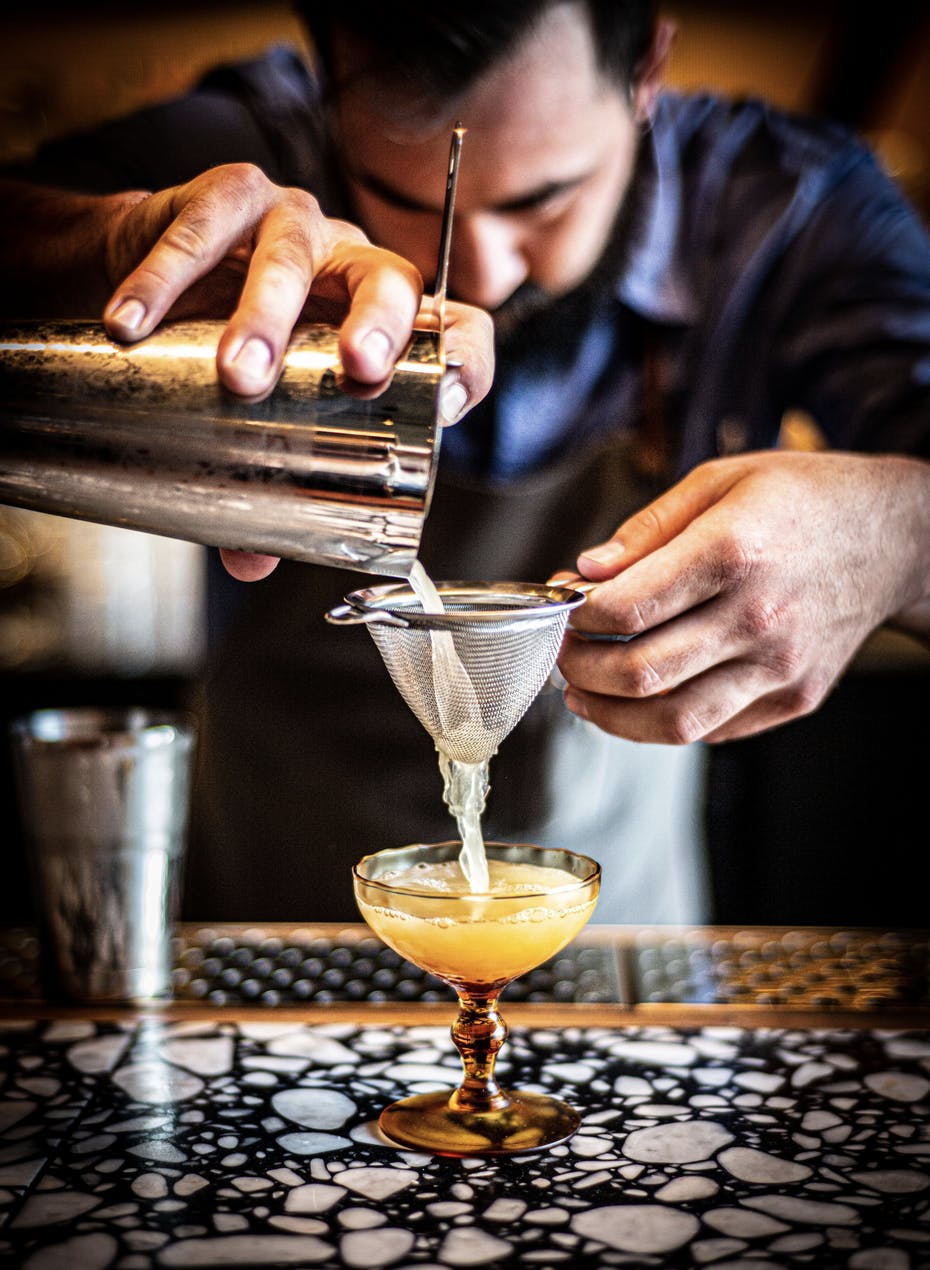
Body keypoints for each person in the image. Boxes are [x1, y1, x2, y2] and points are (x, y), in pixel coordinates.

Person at [1, 1, 928, 925]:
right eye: (400, 199)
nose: (480, 277)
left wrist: (898, 531)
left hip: (622, 944)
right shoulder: (233, 152)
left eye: (543, 201)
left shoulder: (790, 204)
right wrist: (101, 250)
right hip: (272, 933)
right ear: (325, 84)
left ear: (646, 66)